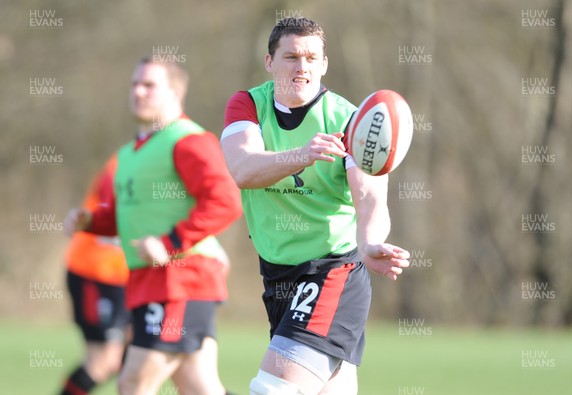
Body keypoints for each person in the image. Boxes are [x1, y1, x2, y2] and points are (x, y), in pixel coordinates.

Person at [220, 17, 411, 395]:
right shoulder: (247, 105)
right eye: (290, 56)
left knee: (271, 388)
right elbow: (243, 169)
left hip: (332, 273)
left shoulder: (352, 121)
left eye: (311, 57)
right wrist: (302, 155)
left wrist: (372, 242)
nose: (301, 66)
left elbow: (370, 197)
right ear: (269, 62)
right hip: (277, 277)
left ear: (325, 64)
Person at [65, 57, 242, 395]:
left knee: (133, 381)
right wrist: (90, 221)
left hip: (181, 282)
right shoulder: (130, 153)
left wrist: (169, 241)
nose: (138, 91)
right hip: (147, 283)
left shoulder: (188, 140)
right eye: (134, 84)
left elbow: (226, 202)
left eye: (149, 85)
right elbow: (123, 218)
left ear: (175, 92)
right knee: (199, 387)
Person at [60, 155, 130, 395]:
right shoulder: (124, 163)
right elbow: (115, 211)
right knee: (103, 361)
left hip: (127, 278)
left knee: (139, 356)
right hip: (95, 272)